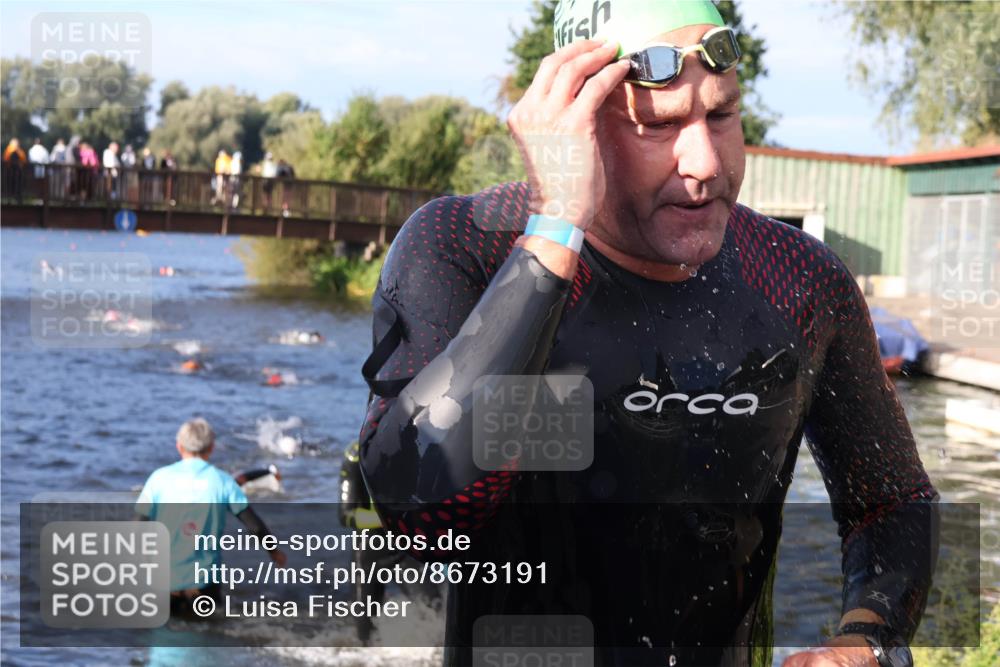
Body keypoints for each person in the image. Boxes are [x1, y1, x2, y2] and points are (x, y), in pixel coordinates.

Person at [357, 2, 937, 666]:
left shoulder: (798, 278)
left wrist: (865, 638)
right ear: (576, 126)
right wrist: (555, 230)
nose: (706, 163)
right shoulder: (466, 247)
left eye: (721, 115)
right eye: (659, 126)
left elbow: (891, 502)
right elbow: (421, 515)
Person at [135, 418, 287, 619]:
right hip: (203, 583)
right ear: (211, 448)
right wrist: (274, 552)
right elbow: (255, 526)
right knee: (205, 638)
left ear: (179, 446)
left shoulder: (158, 478)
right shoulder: (222, 481)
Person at [2, 138, 27, 203]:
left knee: (15, 186)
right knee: (13, 186)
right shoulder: (12, 150)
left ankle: (13, 198)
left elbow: (23, 160)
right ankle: (14, 198)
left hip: (14, 172)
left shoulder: (13, 150)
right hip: (12, 172)